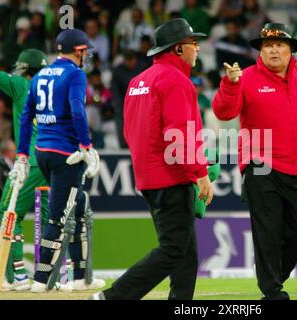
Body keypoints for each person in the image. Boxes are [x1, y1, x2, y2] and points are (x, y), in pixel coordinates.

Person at [90, 18, 213, 300]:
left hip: (148, 176)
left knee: (185, 252)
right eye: (193, 43)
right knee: (173, 249)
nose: (197, 48)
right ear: (179, 49)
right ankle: (111, 297)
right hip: (171, 177)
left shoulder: (137, 82)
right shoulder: (176, 80)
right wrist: (200, 173)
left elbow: (130, 130)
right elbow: (178, 134)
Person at [212, 23, 297, 300]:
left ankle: (273, 275)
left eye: (279, 45)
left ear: (291, 50)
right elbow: (223, 112)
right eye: (268, 46)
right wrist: (230, 85)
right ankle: (272, 291)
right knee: (268, 230)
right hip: (260, 164)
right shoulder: (244, 78)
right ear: (261, 51)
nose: (273, 50)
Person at [11, 28, 104, 292]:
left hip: (42, 152)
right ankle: (41, 282)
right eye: (84, 51)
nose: (86, 55)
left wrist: (21, 154)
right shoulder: (75, 74)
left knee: (79, 205)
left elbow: (26, 116)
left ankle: (80, 277)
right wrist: (86, 145)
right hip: (67, 155)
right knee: (59, 219)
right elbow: (77, 110)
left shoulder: (40, 75)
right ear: (78, 51)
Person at [0, 49, 49, 291]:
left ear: (26, 70)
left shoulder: (19, 85)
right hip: (52, 162)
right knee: (48, 218)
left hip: (29, 163)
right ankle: (52, 276)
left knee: (6, 215)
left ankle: (18, 275)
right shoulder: (52, 87)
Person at [0, 139, 15, 214]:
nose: (15, 153)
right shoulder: (1, 164)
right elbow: (0, 184)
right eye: (13, 151)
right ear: (6, 151)